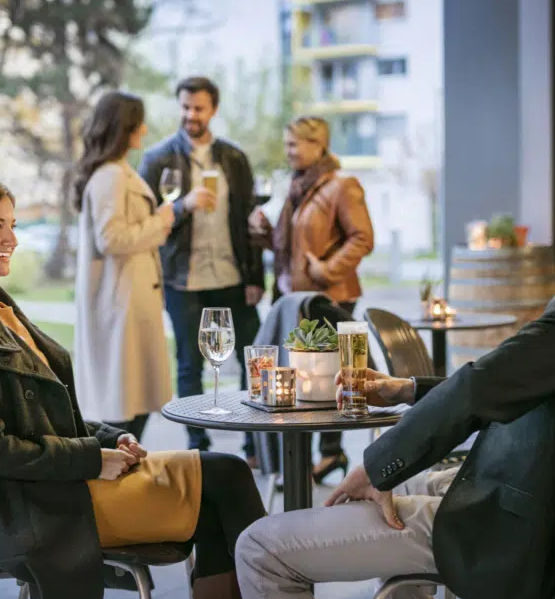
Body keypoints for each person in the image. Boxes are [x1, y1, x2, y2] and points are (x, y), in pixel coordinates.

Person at [234, 143, 555, 599]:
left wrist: (377, 467)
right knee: (406, 480)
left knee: (259, 548)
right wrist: (406, 390)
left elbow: (484, 385)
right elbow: (510, 379)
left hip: (518, 532)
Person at [0, 173, 267, 599]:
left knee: (223, 483)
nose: (12, 239)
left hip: (62, 484)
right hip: (34, 506)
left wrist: (109, 437)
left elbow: (53, 415)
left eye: (13, 225)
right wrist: (91, 459)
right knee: (225, 478)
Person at [138, 76, 265, 455]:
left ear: (214, 110)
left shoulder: (234, 158)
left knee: (250, 357)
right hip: (183, 279)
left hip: (231, 274)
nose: (191, 115)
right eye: (185, 107)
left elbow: (248, 219)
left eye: (199, 108)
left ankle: (254, 443)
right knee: (190, 363)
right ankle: (198, 445)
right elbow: (146, 220)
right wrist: (182, 205)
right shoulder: (158, 158)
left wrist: (255, 276)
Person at [249, 116, 375, 483]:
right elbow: (292, 245)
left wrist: (325, 271)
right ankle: (315, 455)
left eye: (294, 144)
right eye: (287, 144)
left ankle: (329, 452)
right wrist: (265, 234)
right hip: (293, 296)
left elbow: (363, 238)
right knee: (304, 380)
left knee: (325, 378)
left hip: (329, 295)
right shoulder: (296, 188)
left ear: (318, 145)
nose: (288, 151)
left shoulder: (341, 186)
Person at [73, 90, 172, 441]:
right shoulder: (111, 176)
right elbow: (111, 238)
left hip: (130, 299)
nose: (144, 130)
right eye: (138, 123)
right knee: (124, 403)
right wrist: (160, 222)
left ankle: (125, 477)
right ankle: (119, 481)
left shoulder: (115, 172)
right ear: (125, 127)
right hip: (122, 303)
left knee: (135, 399)